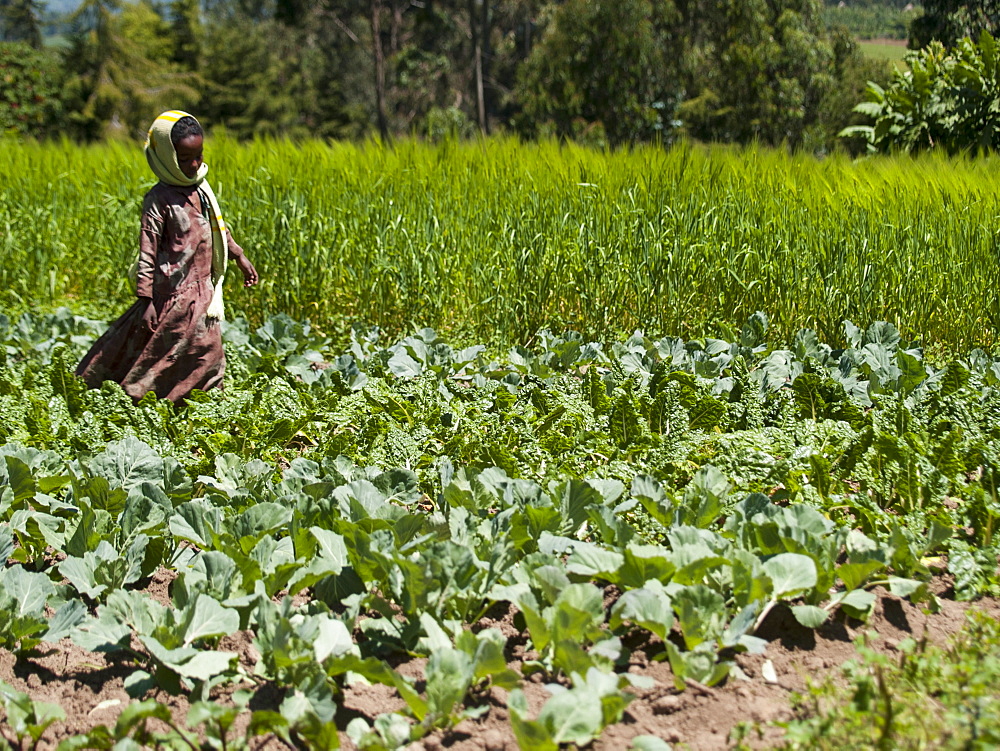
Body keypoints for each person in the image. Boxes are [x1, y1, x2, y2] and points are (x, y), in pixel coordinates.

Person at [76, 110, 259, 403]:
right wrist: (146, 298)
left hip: (203, 289)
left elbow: (215, 229)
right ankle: (136, 396)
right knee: (158, 352)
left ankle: (206, 404)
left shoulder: (201, 189)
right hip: (172, 292)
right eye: (185, 160)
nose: (195, 164)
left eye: (198, 155)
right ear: (166, 157)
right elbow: (147, 250)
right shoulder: (159, 200)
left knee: (206, 350)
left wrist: (238, 256)